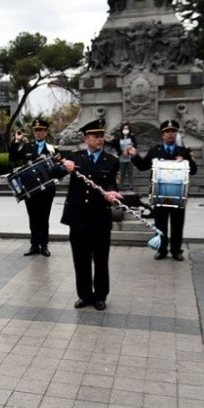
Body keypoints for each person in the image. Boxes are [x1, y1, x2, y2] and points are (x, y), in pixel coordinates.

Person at [56, 120, 121, 311]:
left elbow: (111, 184)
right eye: (95, 136)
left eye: (102, 136)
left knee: (101, 260)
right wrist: (62, 166)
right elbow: (54, 173)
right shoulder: (74, 157)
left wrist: (112, 193)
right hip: (78, 219)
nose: (100, 139)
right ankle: (84, 295)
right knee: (81, 260)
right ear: (86, 139)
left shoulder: (111, 161)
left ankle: (100, 296)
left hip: (100, 218)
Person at [127, 120, 197, 261]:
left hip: (177, 195)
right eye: (167, 132)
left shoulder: (183, 151)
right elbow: (143, 166)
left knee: (177, 224)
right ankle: (162, 250)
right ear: (162, 135)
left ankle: (176, 250)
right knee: (160, 224)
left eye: (173, 132)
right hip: (159, 193)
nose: (170, 134)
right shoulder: (155, 150)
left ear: (176, 134)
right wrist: (134, 155)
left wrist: (186, 161)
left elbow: (194, 170)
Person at [9, 119, 58, 257]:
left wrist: (50, 159)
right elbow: (12, 157)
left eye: (41, 130)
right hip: (30, 189)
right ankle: (34, 245)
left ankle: (44, 245)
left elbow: (58, 168)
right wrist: (16, 141)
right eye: (36, 130)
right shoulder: (27, 146)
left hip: (47, 189)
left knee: (44, 217)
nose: (38, 133)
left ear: (46, 132)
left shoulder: (52, 148)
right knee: (33, 217)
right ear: (33, 132)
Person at [109, 122, 138, 191]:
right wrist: (122, 152)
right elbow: (116, 146)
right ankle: (121, 186)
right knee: (122, 173)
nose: (126, 130)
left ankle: (131, 187)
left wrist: (129, 150)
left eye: (127, 128)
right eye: (124, 128)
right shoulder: (119, 138)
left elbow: (135, 145)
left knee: (130, 173)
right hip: (122, 158)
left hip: (130, 158)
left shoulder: (132, 137)